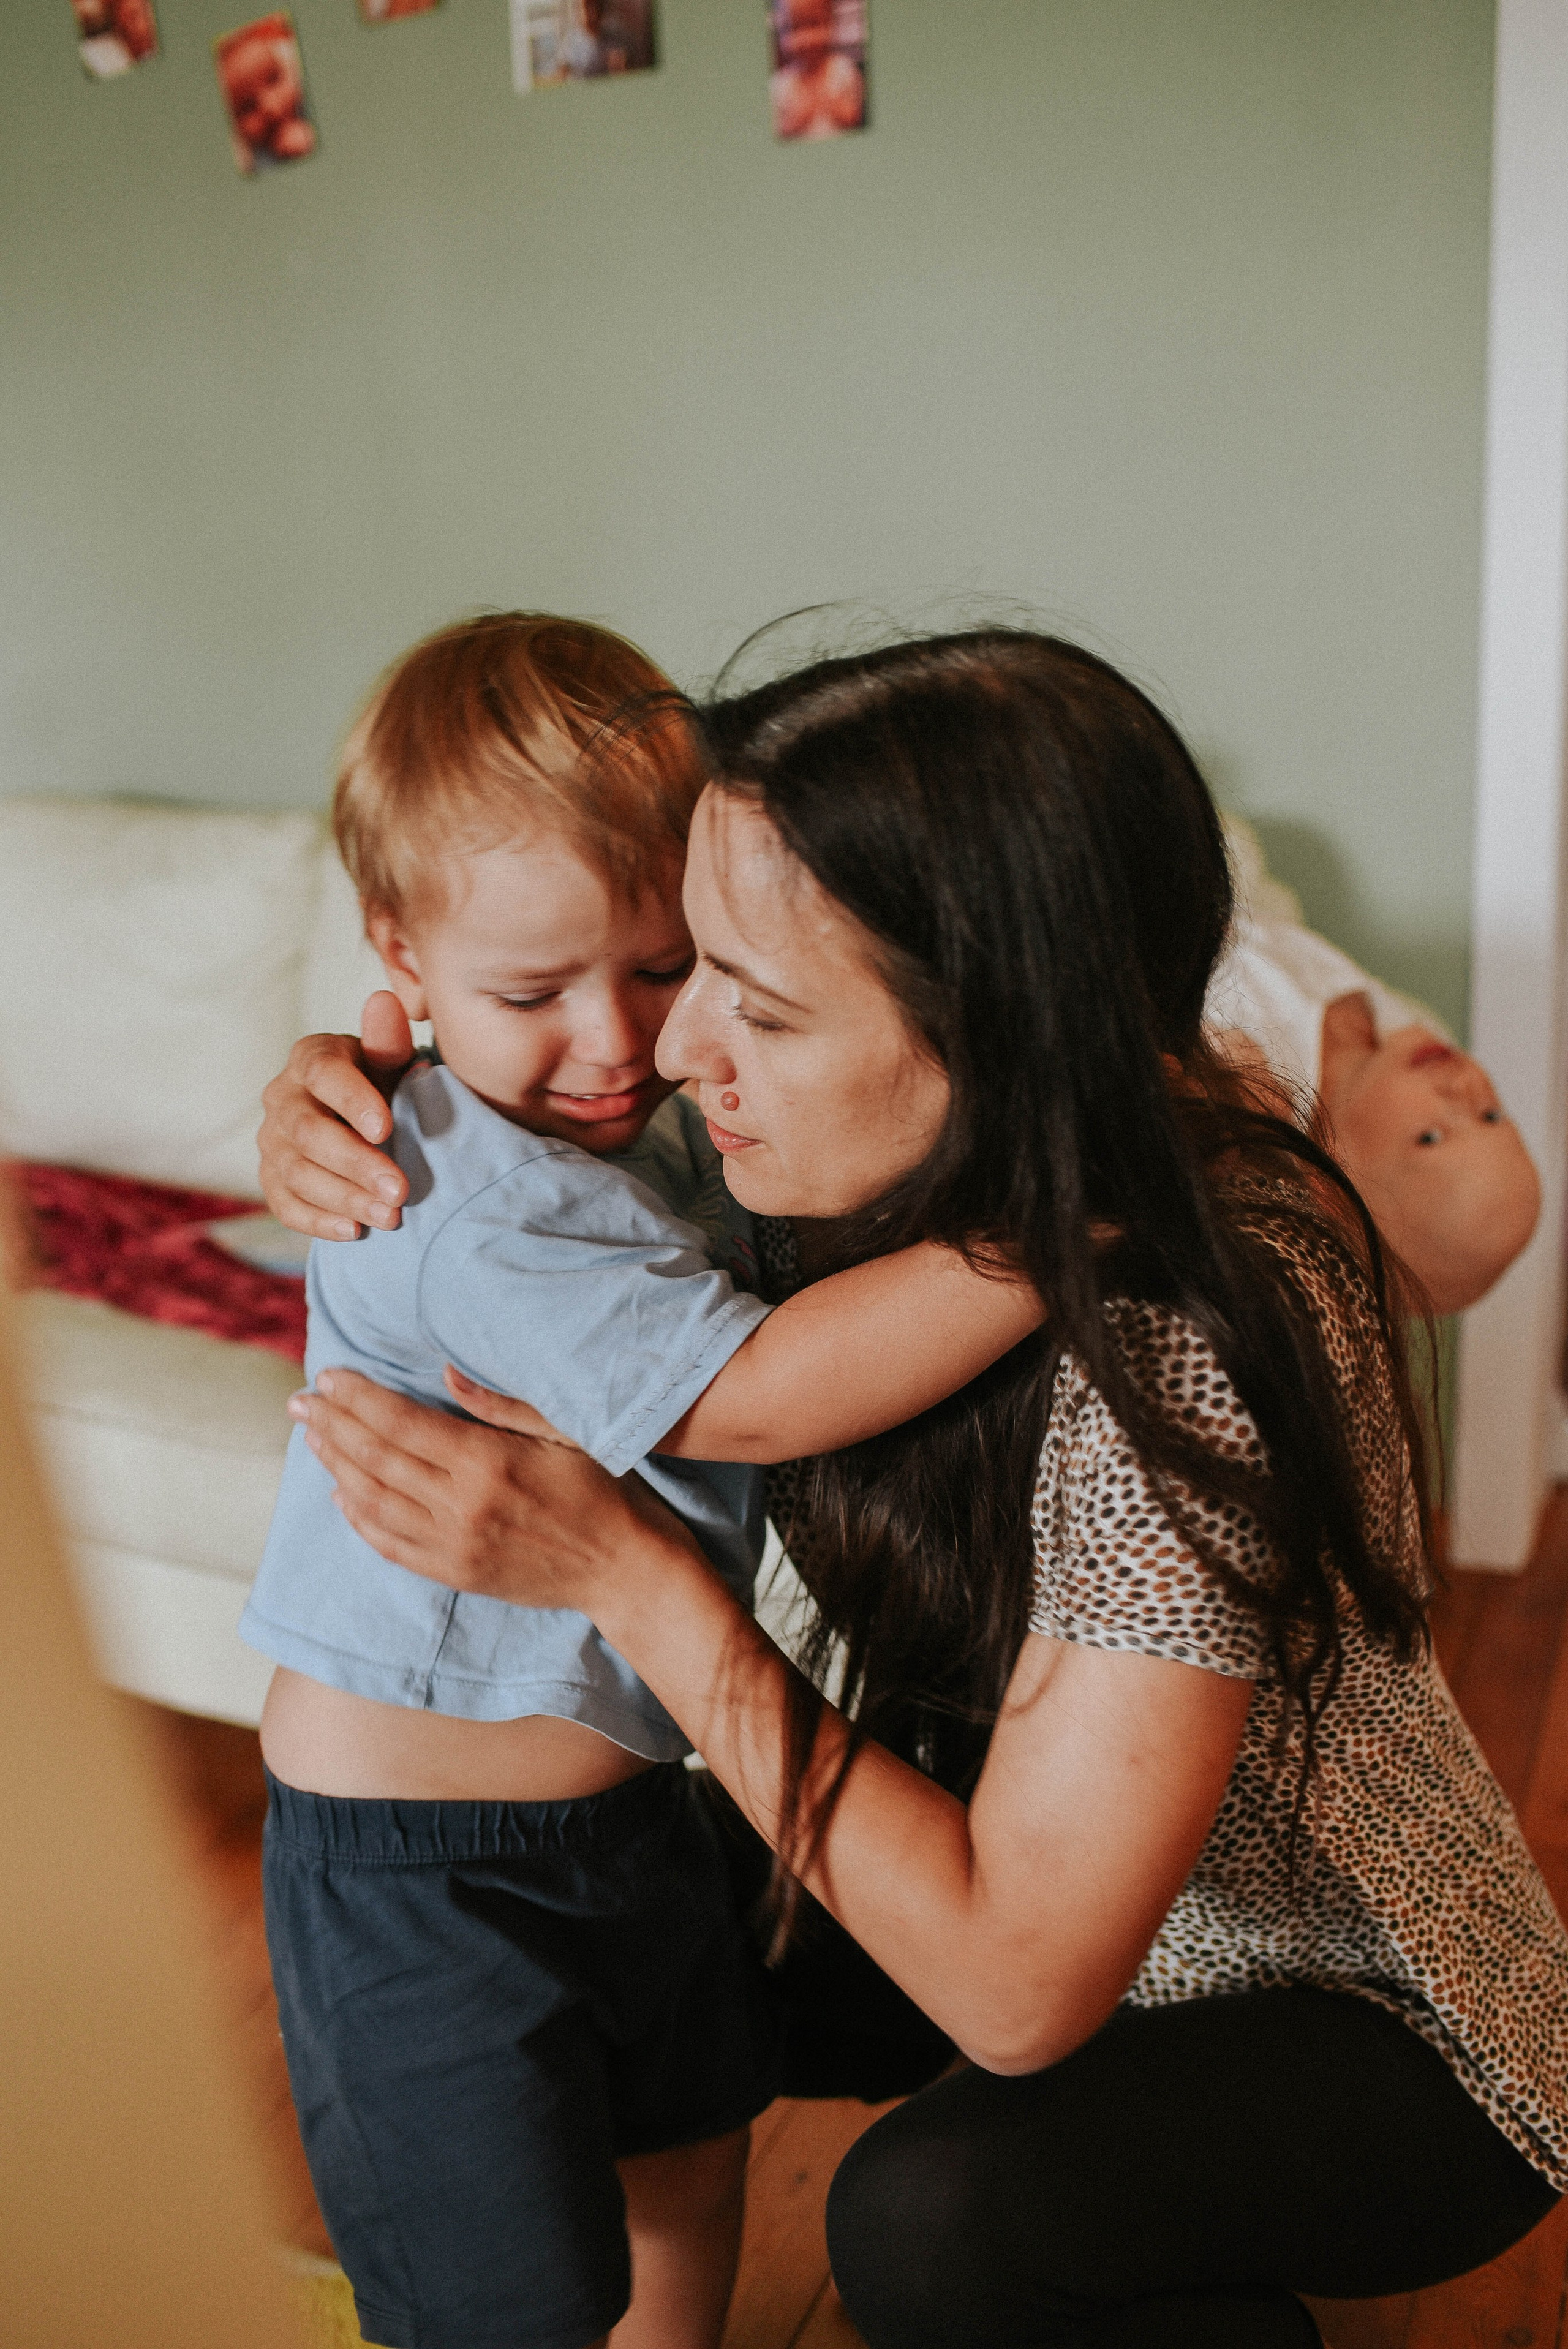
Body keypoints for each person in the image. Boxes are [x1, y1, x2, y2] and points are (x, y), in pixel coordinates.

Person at [261, 627, 1568, 2349]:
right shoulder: (822, 1158)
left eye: (744, 995)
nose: (671, 1050)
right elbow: (525, 1170)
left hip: (1341, 2008)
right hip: (993, 1876)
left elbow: (1022, 1989)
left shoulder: (1174, 1346)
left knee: (934, 2220)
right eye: (694, 964)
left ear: (994, 1026)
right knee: (636, 2000)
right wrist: (341, 1093)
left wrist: (632, 1582)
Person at [249, 614, 1041, 2349]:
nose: (615, 1041)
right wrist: (1056, 1236)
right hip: (421, 1867)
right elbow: (750, 1396)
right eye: (530, 995)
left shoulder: (653, 1121)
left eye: (664, 964)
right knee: (504, 2295)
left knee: (688, 2159)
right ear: (400, 954)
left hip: (637, 1801)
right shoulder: (466, 1194)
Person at [1208, 824, 1539, 1311]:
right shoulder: (1402, 1033)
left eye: (1431, 1136)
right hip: (1250, 910)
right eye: (1491, 1116)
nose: (1464, 1094)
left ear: (1331, 1184)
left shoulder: (1258, 1088)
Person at [216, 15, 316, 173]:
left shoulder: (310, 107)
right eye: (248, 106)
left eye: (273, 79)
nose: (271, 107)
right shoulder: (251, 161)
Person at [768, 0, 865, 141]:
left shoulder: (845, 70)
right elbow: (776, 135)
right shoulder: (780, 85)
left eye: (813, 24)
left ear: (831, 24)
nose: (806, 38)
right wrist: (794, 122)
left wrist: (841, 110)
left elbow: (858, 119)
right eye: (794, 28)